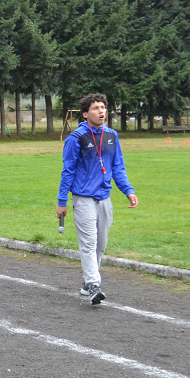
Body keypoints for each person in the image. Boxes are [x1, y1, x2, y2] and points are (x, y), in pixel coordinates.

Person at [56, 93, 138, 305]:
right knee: (89, 243)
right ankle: (93, 284)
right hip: (83, 198)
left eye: (103, 107)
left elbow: (118, 166)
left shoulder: (112, 135)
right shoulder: (76, 138)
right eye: (96, 108)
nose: (101, 111)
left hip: (105, 198)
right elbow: (68, 171)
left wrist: (128, 190)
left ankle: (87, 283)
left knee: (100, 245)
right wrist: (62, 200)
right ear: (85, 114)